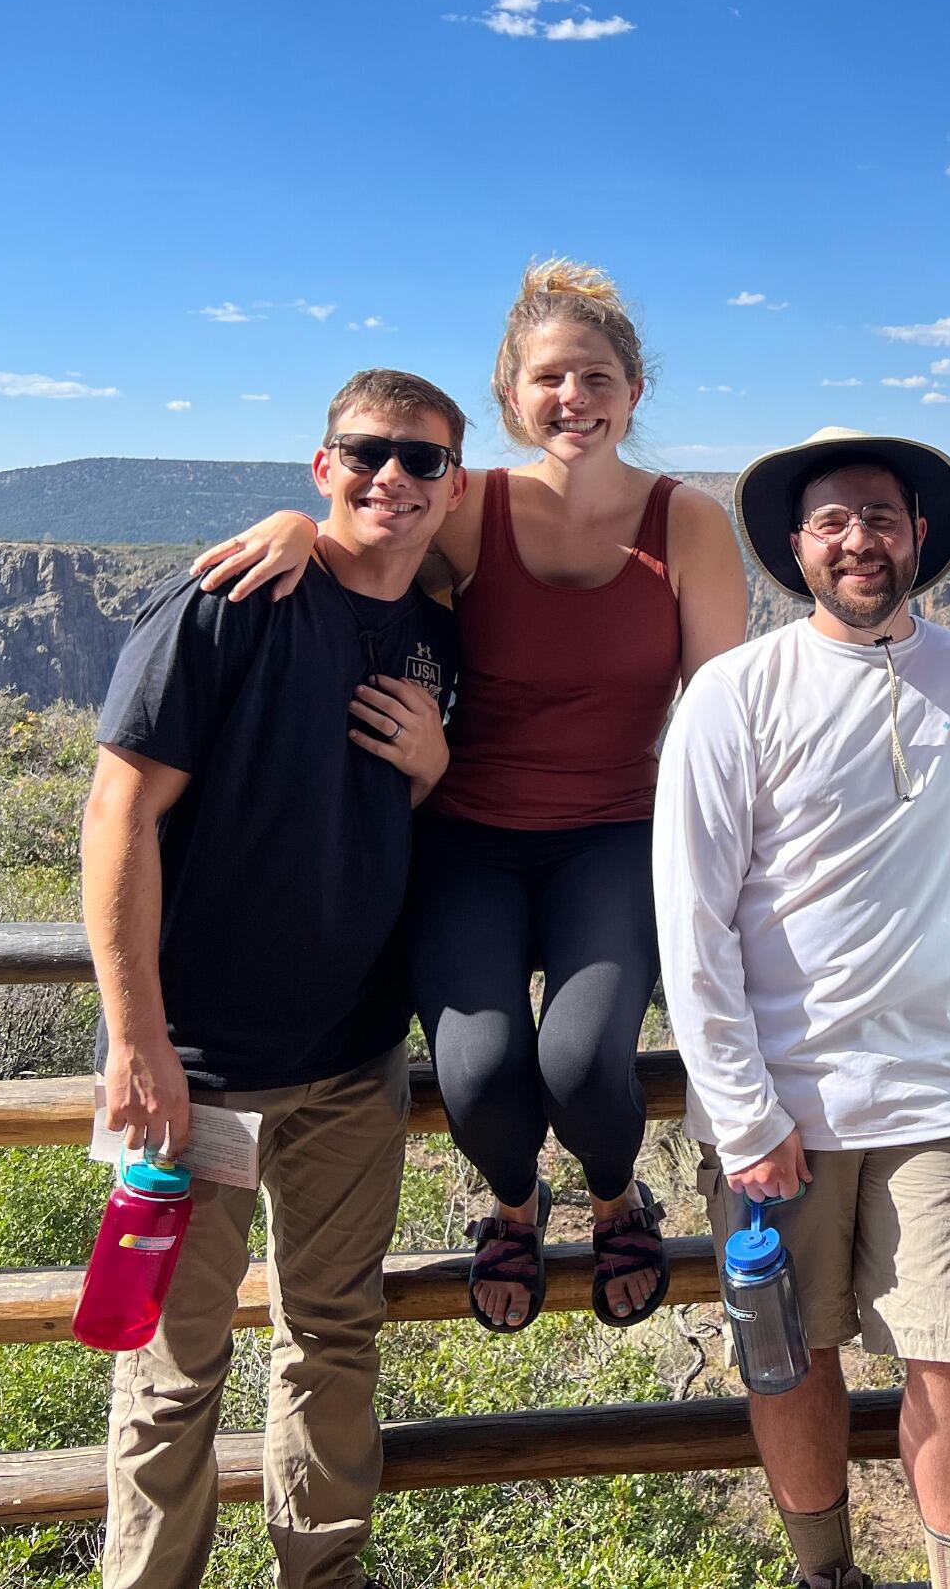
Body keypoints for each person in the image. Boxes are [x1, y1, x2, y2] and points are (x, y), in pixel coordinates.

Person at [192, 260, 748, 1334]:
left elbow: (720, 723)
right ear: (509, 398)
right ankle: (512, 1202)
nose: (572, 399)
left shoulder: (687, 525)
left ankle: (617, 1192)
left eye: (594, 377)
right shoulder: (467, 506)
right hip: (466, 835)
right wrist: (295, 527)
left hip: (614, 834)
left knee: (584, 1064)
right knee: (483, 1071)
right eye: (548, 380)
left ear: (634, 391)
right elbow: (369, 531)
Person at [81, 369, 467, 1589]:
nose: (392, 479)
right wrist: (137, 1042)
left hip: (353, 1063)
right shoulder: (229, 600)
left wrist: (437, 762)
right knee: (168, 1366)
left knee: (335, 1341)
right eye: (367, 454)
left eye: (423, 462)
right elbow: (116, 816)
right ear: (320, 466)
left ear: (454, 487)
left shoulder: (436, 639)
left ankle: (324, 1573)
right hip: (195, 1073)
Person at [655, 428, 950, 1589]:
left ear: (919, 535)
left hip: (946, 1089)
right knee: (788, 1361)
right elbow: (693, 919)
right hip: (781, 1107)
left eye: (880, 516)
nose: (858, 539)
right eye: (832, 522)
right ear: (795, 547)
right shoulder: (733, 693)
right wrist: (741, 1109)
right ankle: (827, 1575)